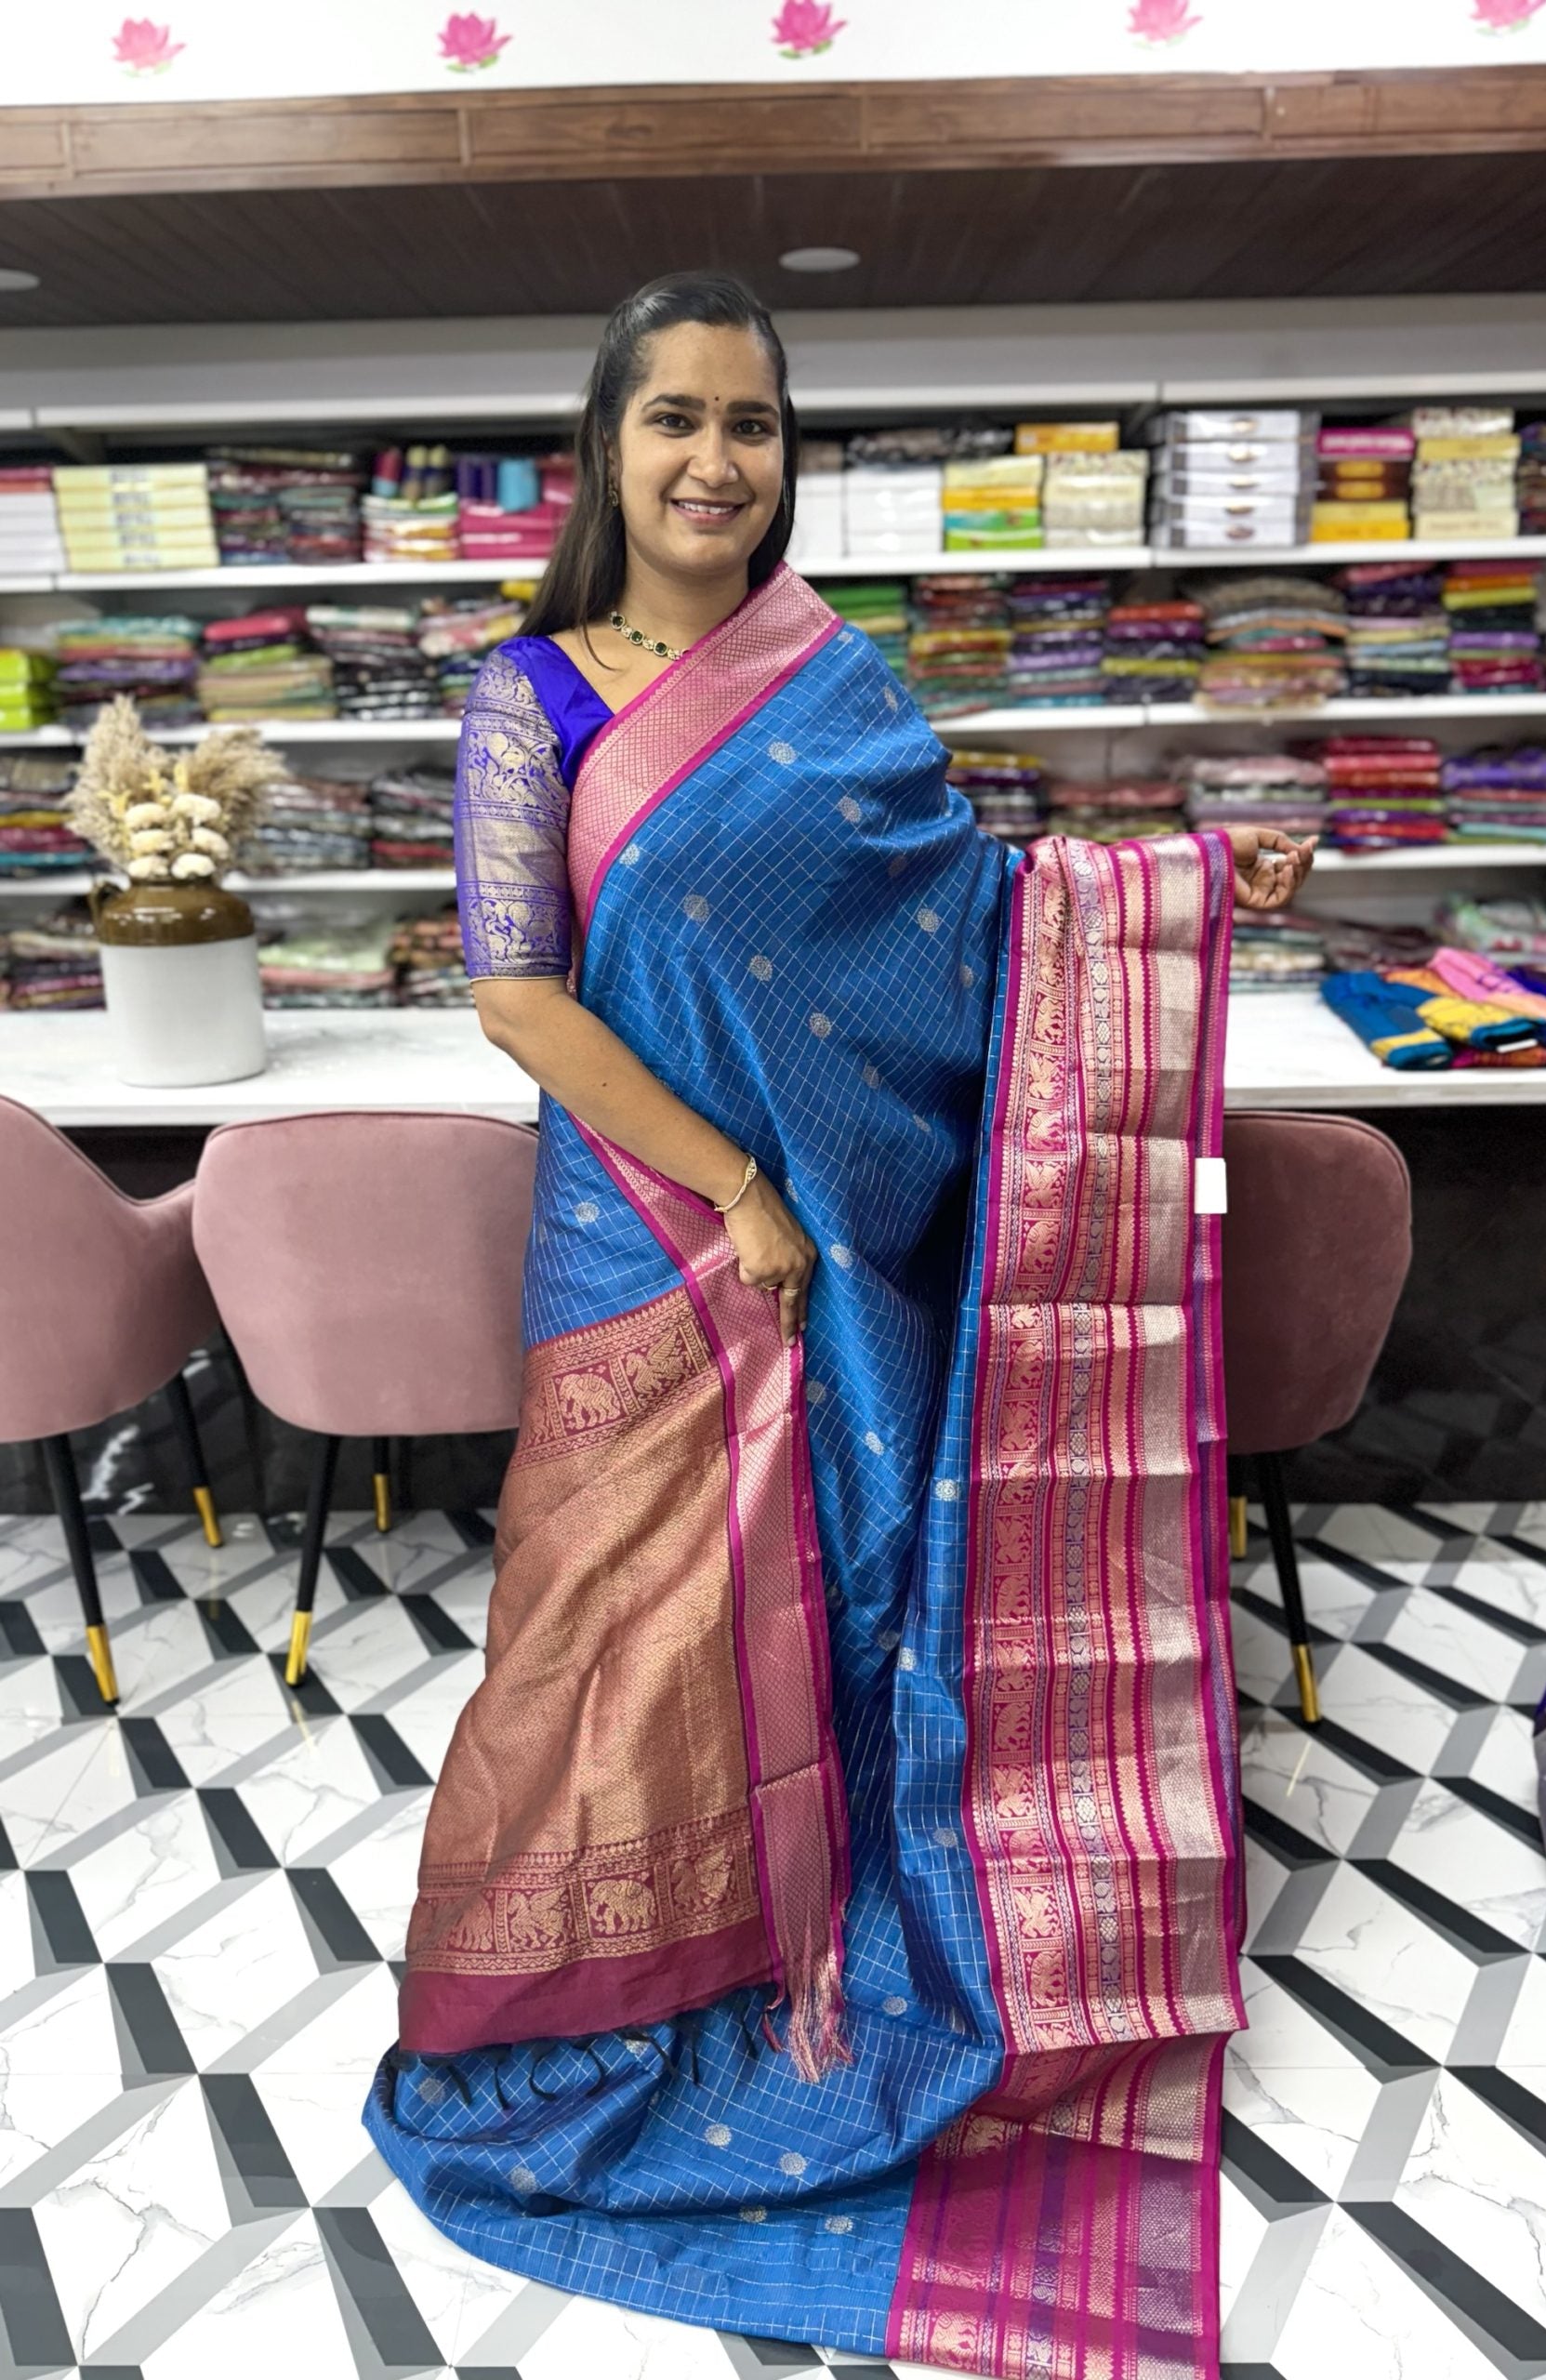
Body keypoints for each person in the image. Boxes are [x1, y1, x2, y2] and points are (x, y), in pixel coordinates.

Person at [365, 271, 1315, 2378]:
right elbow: (516, 993)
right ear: (603, 444)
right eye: (674, 417)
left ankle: (815, 1965)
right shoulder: (527, 697)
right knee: (599, 1643)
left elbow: (973, 921)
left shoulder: (837, 683)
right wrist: (736, 1188)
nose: (716, 459)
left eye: (756, 423)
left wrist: (1187, 880)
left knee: (842, 1595)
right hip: (642, 1237)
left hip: (835, 1254)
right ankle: (580, 2006)